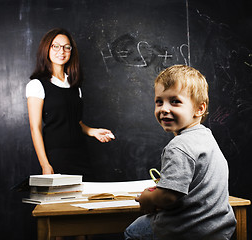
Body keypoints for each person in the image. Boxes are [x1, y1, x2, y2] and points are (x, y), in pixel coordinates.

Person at [124, 65, 236, 240]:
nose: (164, 109)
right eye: (159, 101)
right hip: (220, 228)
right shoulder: (206, 137)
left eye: (175, 101)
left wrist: (149, 198)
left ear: (199, 109)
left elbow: (168, 197)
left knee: (133, 231)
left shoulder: (179, 146)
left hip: (187, 229)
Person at [26, 28, 114, 180]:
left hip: (81, 152)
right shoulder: (37, 85)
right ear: (46, 48)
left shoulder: (74, 85)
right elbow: (35, 128)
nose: (62, 51)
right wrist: (45, 165)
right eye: (56, 46)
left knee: (86, 199)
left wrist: (93, 131)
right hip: (56, 155)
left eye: (67, 47)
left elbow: (74, 123)